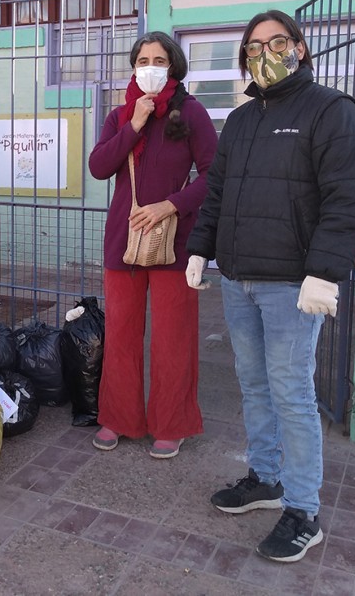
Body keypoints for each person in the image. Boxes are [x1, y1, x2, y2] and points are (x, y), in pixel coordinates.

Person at [186, 10, 355, 563]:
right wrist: (201, 246)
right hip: (238, 278)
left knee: (291, 393)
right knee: (254, 384)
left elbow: (348, 198)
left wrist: (325, 270)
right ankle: (265, 478)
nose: (263, 52)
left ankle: (303, 510)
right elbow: (216, 191)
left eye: (276, 42)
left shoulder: (332, 112)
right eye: (253, 46)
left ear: (300, 47)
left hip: (292, 284)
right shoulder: (242, 120)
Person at [87, 31, 218, 459]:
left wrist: (171, 205)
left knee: (171, 338)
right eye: (143, 59)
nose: (150, 67)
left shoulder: (192, 114)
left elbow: (215, 176)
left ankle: (170, 423)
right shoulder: (121, 115)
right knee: (121, 333)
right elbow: (100, 166)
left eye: (159, 60)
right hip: (122, 245)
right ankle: (119, 418)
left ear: (173, 67)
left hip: (174, 245)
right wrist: (135, 124)